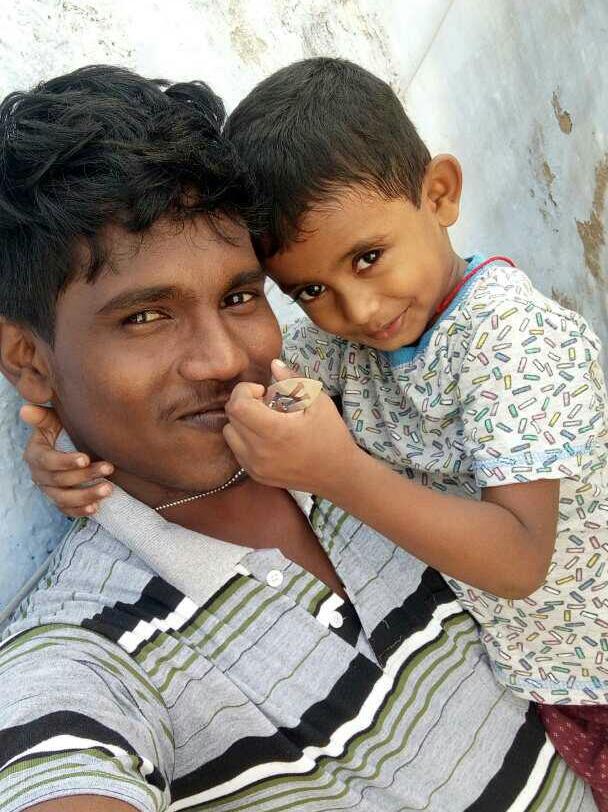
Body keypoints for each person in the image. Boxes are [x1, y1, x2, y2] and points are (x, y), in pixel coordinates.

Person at [3, 66, 598, 812]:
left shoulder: (358, 416)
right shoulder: (86, 657)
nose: (224, 360)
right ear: (29, 360)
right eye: (146, 317)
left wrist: (338, 470)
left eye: (240, 296)